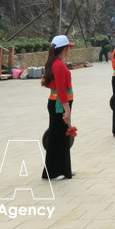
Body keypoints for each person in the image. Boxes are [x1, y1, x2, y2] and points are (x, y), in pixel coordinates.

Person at [42, 35, 75, 179]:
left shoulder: (55, 62)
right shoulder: (59, 65)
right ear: (64, 48)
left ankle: (64, 168)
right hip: (59, 104)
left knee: (63, 137)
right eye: (68, 47)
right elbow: (61, 90)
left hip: (59, 103)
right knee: (57, 137)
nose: (69, 50)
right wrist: (66, 110)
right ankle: (52, 172)